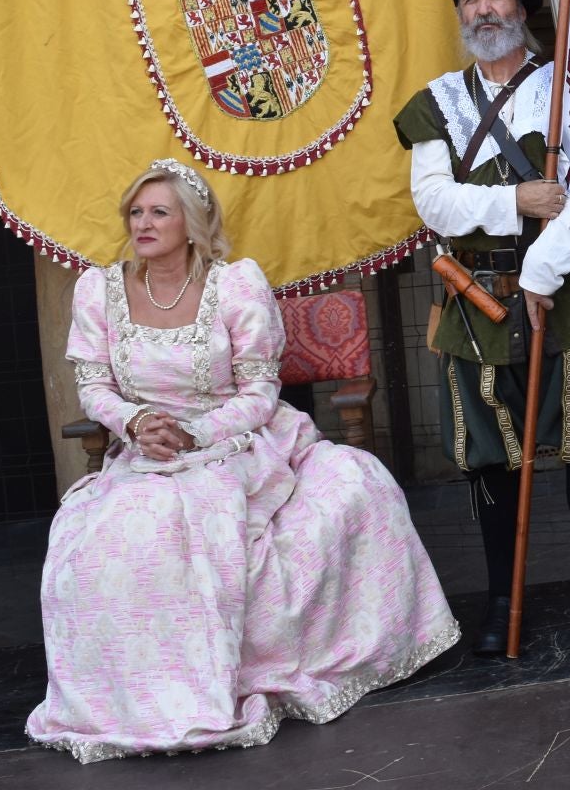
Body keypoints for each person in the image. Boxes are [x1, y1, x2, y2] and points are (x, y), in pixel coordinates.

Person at [27, 159, 458, 763]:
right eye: (136, 212)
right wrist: (137, 422)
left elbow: (259, 391)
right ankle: (140, 698)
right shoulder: (99, 290)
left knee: (352, 483)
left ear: (193, 223)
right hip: (146, 448)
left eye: (159, 212)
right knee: (113, 540)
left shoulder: (234, 285)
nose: (142, 223)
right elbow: (94, 386)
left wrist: (196, 433)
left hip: (236, 440)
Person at [395, 0, 570, 655]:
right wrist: (517, 200)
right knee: (489, 456)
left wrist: (541, 266)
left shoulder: (568, 86)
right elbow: (434, 203)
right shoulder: (438, 101)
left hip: (567, 292)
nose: (484, 9)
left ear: (522, 8)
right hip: (476, 306)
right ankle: (503, 596)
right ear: (460, 15)